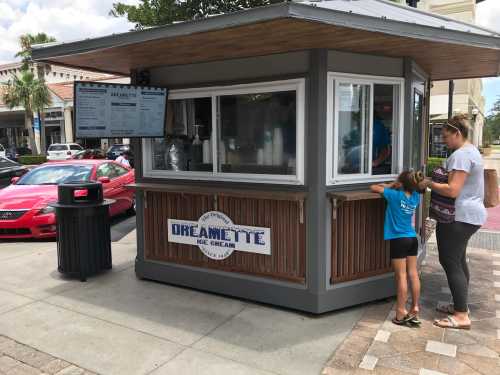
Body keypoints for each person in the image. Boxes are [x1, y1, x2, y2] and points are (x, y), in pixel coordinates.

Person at [419, 114, 487, 330]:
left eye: (447, 136)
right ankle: (460, 305)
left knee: (450, 261)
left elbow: (453, 190)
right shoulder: (472, 151)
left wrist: (428, 182)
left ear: (458, 133)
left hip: (458, 216)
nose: (444, 141)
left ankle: (461, 315)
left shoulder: (461, 156)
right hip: (470, 216)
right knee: (458, 260)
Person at [371, 170, 424, 326]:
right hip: (412, 238)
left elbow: (373, 187)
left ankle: (400, 312)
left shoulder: (394, 195)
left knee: (401, 276)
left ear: (400, 183)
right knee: (413, 274)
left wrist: (391, 185)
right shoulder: (415, 197)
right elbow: (415, 187)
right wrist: (400, 184)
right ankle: (415, 307)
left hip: (398, 240)